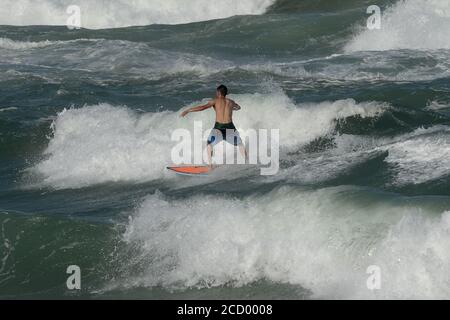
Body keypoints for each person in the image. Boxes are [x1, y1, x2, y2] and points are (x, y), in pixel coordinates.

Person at [181, 85, 247, 168]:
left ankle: (210, 165)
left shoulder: (215, 101)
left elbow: (203, 107)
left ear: (218, 92)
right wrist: (231, 109)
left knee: (209, 144)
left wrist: (188, 110)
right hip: (230, 126)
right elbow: (238, 107)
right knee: (240, 143)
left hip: (219, 127)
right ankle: (246, 161)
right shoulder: (231, 102)